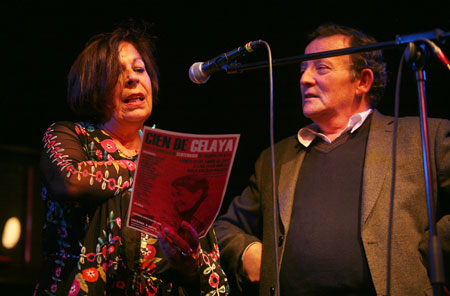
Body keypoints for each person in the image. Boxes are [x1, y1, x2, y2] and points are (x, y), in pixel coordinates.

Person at [214, 23, 450, 296]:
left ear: (363, 81)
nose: (305, 79)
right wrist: (246, 251)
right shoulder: (276, 158)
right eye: (303, 70)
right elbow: (223, 227)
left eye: (321, 68)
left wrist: (426, 255)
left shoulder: (424, 136)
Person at [35, 21, 229, 296]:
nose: (132, 78)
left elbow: (208, 269)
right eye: (117, 72)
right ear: (92, 84)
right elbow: (70, 182)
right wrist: (150, 169)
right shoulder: (71, 135)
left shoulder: (173, 155)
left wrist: (189, 264)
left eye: (140, 69)